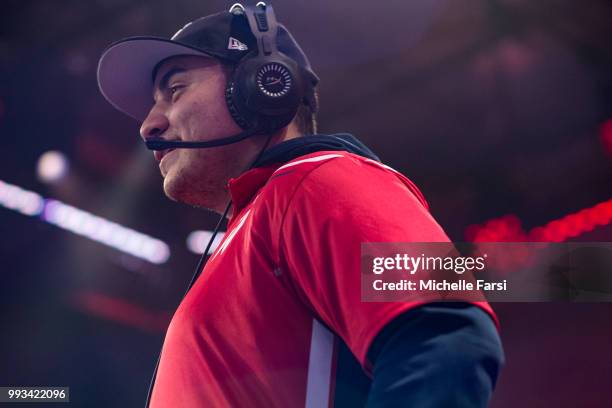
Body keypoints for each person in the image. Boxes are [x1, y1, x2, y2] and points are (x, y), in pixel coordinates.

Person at [97, 3, 504, 407]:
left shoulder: (319, 178)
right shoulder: (254, 226)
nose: (148, 124)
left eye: (175, 89)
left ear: (262, 86)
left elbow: (446, 332)